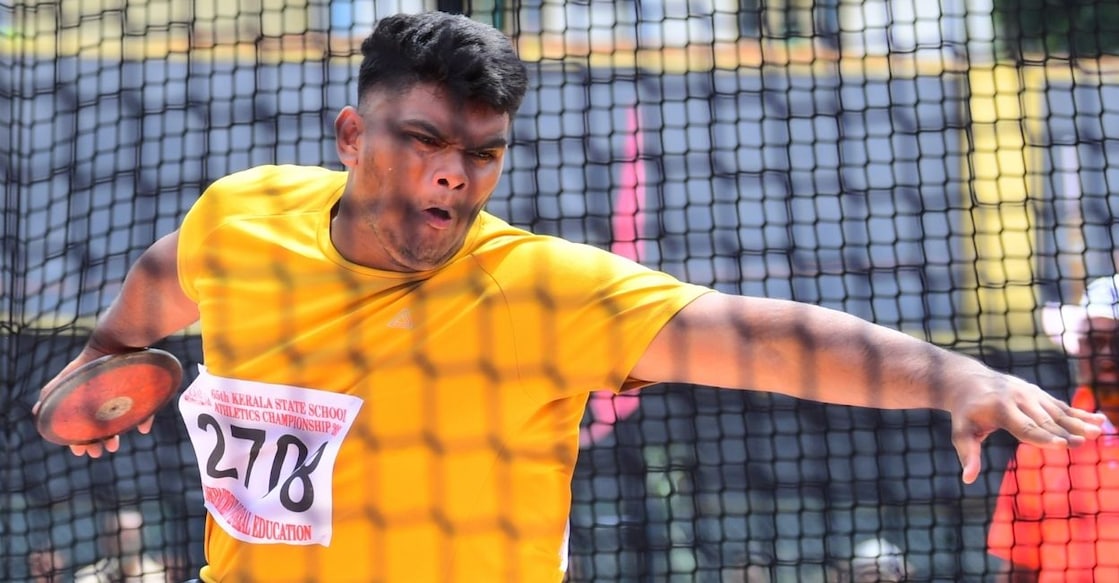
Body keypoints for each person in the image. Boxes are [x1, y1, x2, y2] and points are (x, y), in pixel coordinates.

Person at [33, 11, 1104, 583]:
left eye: (481, 154)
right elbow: (162, 280)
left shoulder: (537, 291)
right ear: (353, 136)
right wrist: (102, 366)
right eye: (424, 142)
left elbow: (765, 336)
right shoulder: (243, 215)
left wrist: (955, 374)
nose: (454, 173)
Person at [988, 274, 1119, 582]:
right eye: (1095, 341)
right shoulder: (1043, 445)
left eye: (1118, 342)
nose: (1107, 357)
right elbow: (1018, 567)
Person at [73, 508, 168, 583]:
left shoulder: (161, 576)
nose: (125, 541)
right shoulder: (88, 577)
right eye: (119, 534)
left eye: (130, 535)